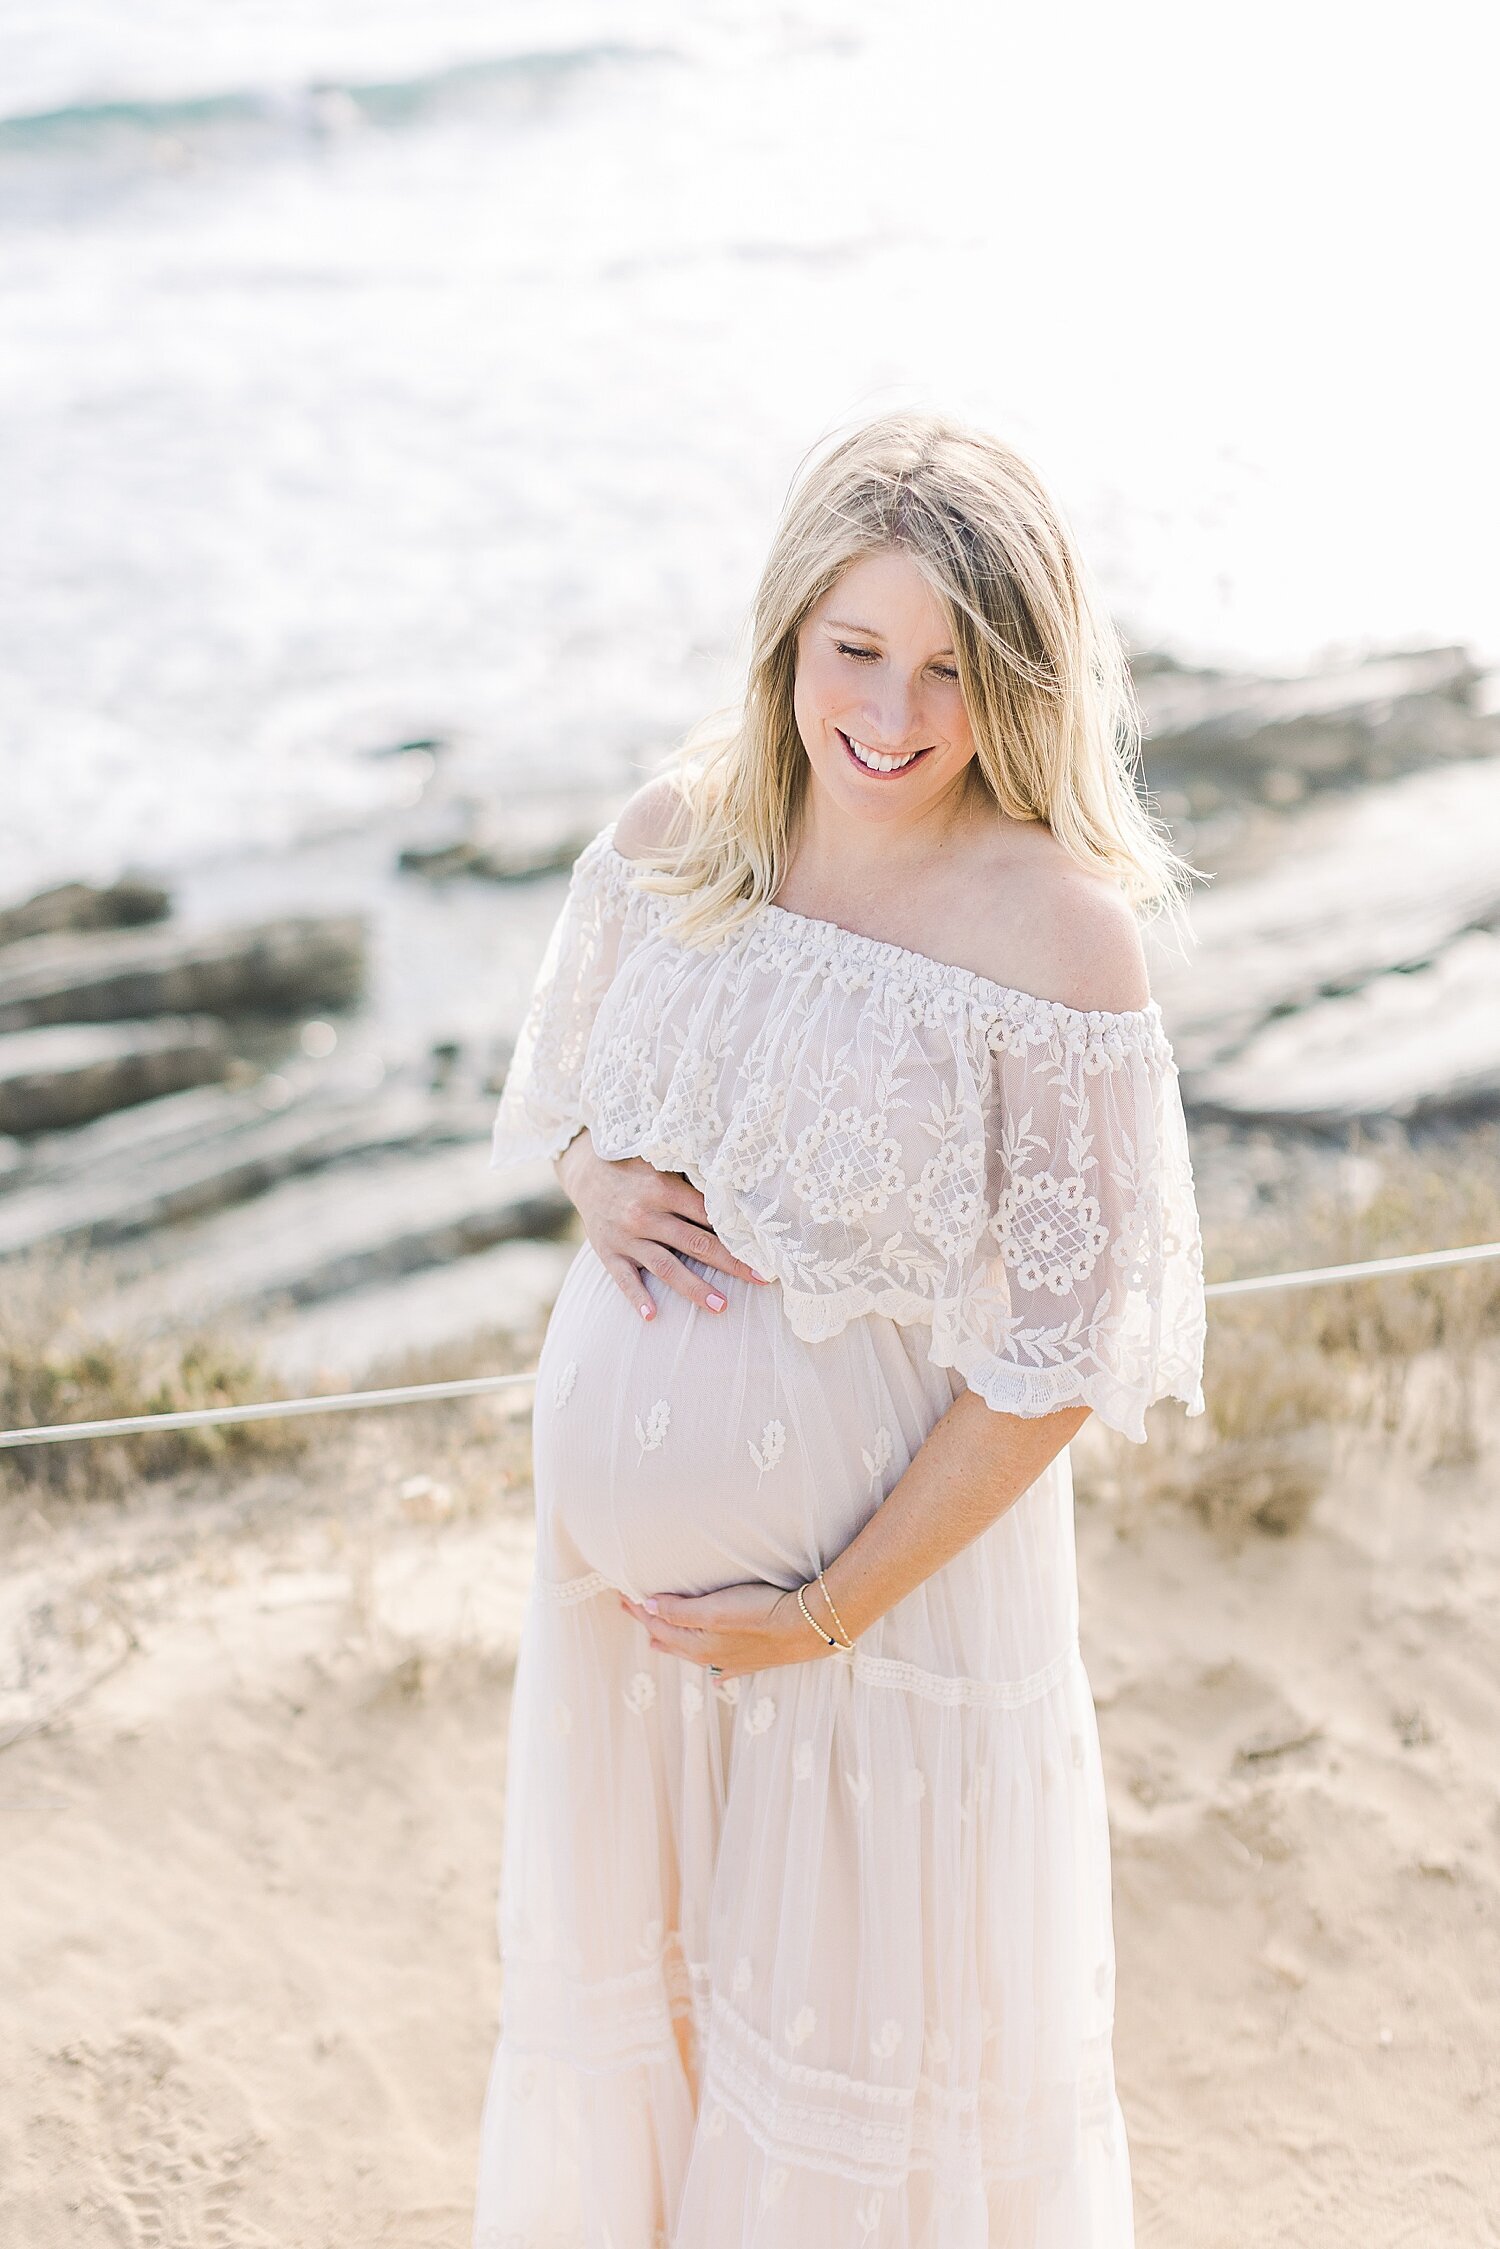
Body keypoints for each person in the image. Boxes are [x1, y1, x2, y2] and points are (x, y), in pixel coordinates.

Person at [471, 409, 1207, 2248]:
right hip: (625, 1647)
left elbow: (1054, 1369)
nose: (892, 709)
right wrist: (593, 1180)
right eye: (854, 649)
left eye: (951, 667)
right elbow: (565, 1093)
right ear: (787, 637)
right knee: (666, 2065)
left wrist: (821, 1611)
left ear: (1017, 680)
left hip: (884, 1648)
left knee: (851, 2134)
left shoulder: (1058, 943)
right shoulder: (676, 837)